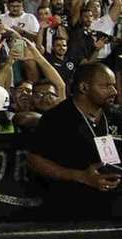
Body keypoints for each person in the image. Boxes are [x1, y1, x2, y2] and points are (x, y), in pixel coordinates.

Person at [28, 63, 122, 220]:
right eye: (106, 86)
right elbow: (34, 160)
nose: (114, 91)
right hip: (73, 209)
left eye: (113, 86)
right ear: (84, 87)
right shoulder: (57, 118)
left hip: (115, 208)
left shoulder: (115, 115)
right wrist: (81, 176)